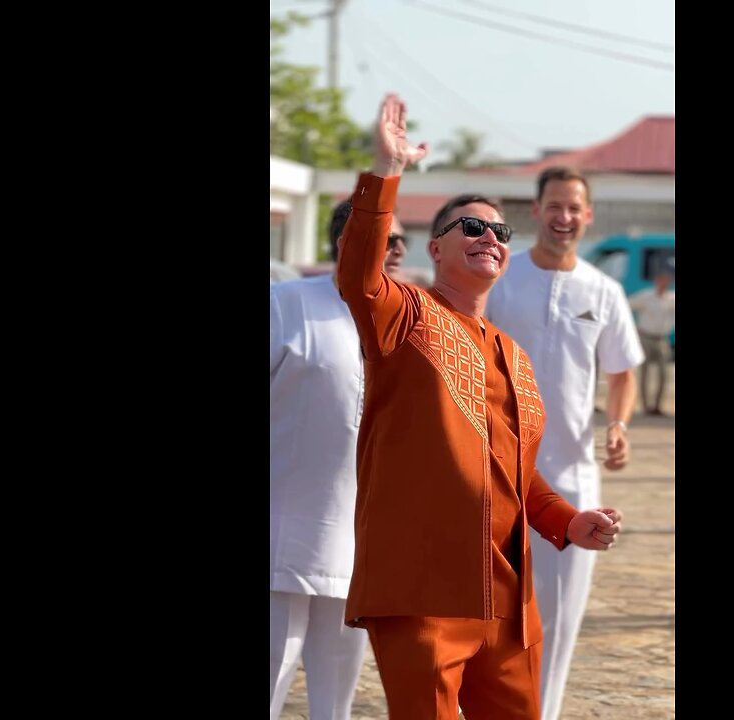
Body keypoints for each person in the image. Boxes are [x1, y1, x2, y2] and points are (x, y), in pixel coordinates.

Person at [336, 93, 624, 719]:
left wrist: (567, 522)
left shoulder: (514, 358)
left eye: (499, 230)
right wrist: (386, 173)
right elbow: (357, 274)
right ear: (434, 250)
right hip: (423, 589)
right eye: (471, 226)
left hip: (508, 599)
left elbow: (516, 475)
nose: (489, 237)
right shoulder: (403, 316)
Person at [484, 165, 645, 720]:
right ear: (537, 210)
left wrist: (618, 425)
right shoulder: (502, 278)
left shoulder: (603, 291)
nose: (564, 217)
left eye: (574, 207)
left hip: (572, 478)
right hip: (494, 470)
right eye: (555, 205)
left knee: (556, 621)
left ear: (589, 215)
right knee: (485, 615)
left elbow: (622, 372)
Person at [269, 199, 409, 719]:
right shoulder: (285, 304)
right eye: (386, 237)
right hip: (281, 537)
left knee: (335, 703)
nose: (398, 249)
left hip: (362, 547)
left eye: (402, 240)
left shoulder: (408, 321)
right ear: (347, 240)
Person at [627, 268, 676, 416]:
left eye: (666, 280)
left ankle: (657, 405)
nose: (663, 283)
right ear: (656, 281)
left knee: (663, 373)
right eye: (660, 280)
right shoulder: (646, 296)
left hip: (662, 338)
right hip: (646, 337)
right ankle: (645, 406)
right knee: (645, 372)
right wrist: (632, 327)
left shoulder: (671, 298)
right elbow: (627, 306)